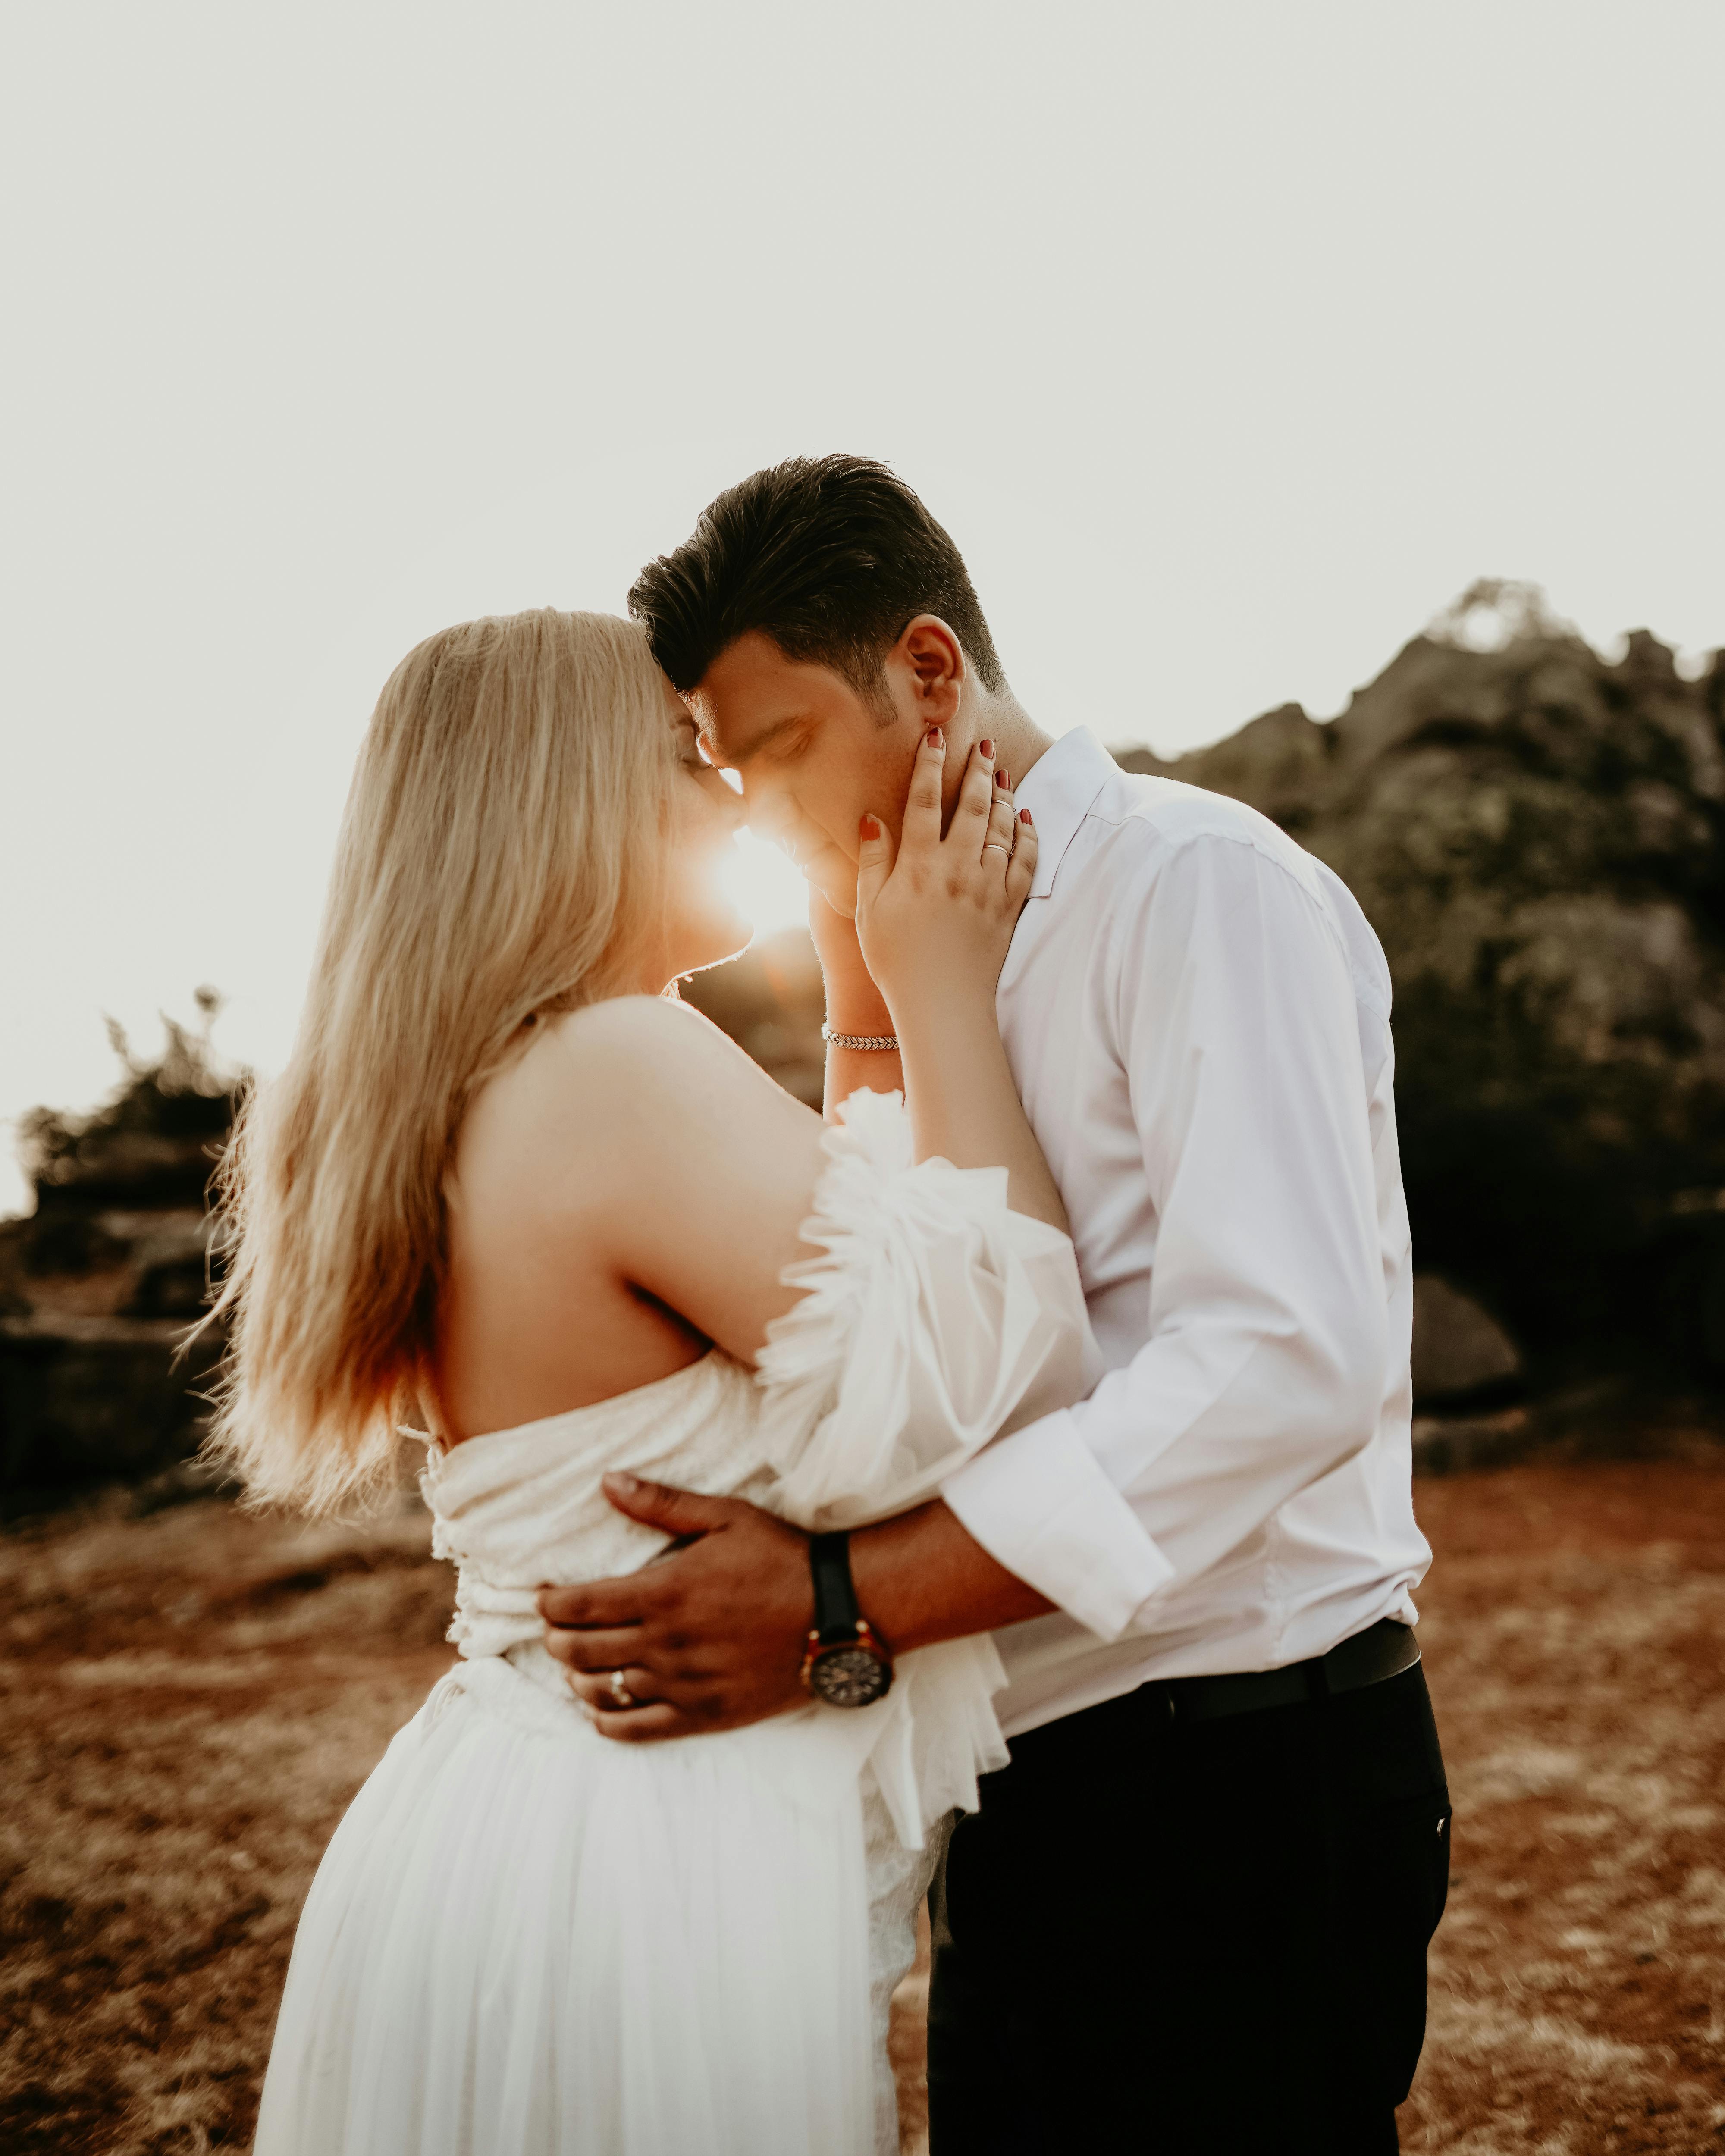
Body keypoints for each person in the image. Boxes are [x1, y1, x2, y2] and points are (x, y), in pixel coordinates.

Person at [541, 455, 1451, 2154]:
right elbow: (900, 1334)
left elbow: (1286, 1358)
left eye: (784, 747)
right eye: (731, 778)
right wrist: (866, 1002)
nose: (760, 812)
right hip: (1028, 1786)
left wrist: (838, 1598)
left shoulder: (1197, 886)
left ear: (929, 668)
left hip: (1240, 1774)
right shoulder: (905, 942)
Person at [210, 608, 1101, 2156]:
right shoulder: (617, 1065)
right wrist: (945, 981)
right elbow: (994, 1362)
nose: (742, 800)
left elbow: (845, 1281)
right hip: (651, 1858)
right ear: (573, 794)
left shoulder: (454, 1093)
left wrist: (857, 989)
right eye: (692, 759)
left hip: (498, 1818)